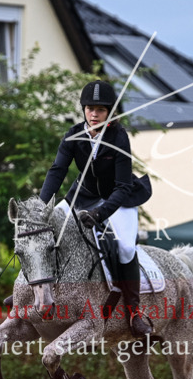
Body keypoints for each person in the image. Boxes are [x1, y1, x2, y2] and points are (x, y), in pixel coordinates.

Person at [39, 80, 153, 336]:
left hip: (119, 198)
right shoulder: (73, 134)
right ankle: (32, 289)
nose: (94, 113)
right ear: (83, 109)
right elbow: (57, 171)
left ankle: (134, 312)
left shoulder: (118, 137)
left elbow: (122, 187)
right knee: (45, 232)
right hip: (84, 195)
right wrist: (41, 204)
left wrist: (100, 214)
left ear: (109, 112)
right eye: (89, 108)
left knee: (124, 246)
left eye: (100, 110)